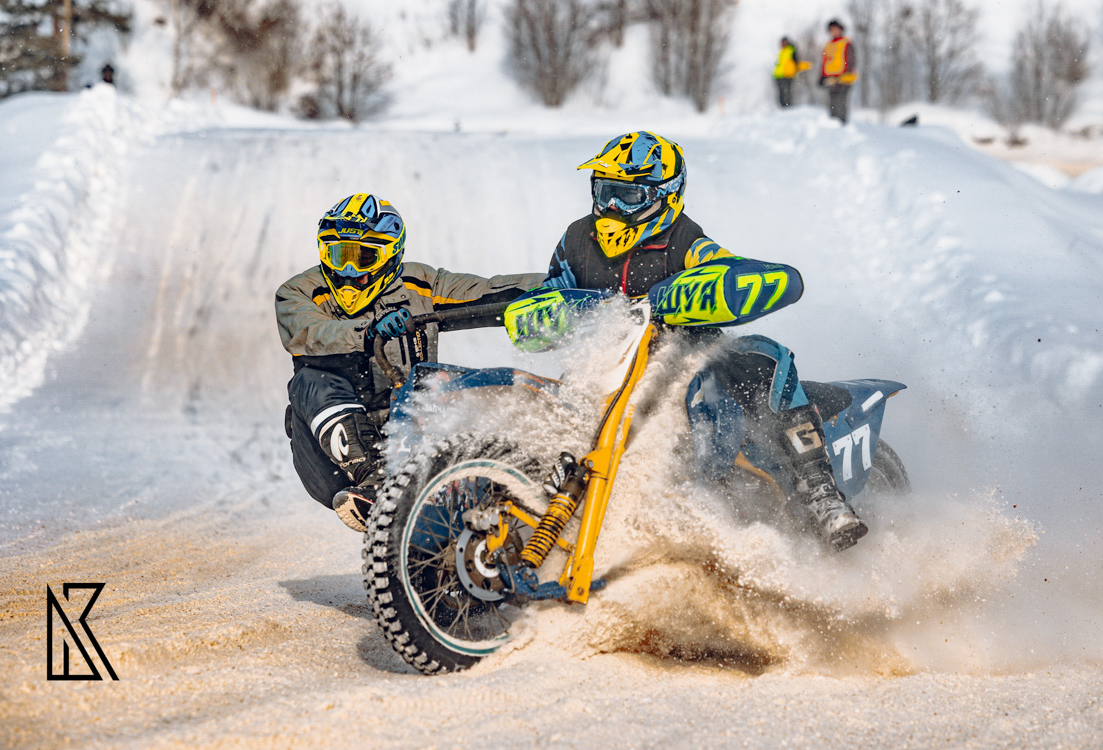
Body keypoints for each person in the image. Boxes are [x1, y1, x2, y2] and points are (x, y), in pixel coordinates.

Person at [533, 131, 868, 551]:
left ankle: (821, 493)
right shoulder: (576, 240)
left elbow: (720, 264)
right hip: (609, 365)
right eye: (606, 192)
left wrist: (714, 285)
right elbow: (553, 289)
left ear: (664, 196)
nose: (613, 208)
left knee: (767, 357)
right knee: (556, 408)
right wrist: (543, 312)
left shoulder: (684, 239)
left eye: (628, 195)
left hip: (694, 361)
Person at [275, 193, 544, 532]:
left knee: (452, 385)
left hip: (409, 422)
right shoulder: (297, 291)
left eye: (362, 257)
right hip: (329, 455)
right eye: (338, 254)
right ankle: (373, 479)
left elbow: (490, 290)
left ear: (391, 256)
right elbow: (309, 333)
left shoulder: (421, 282)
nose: (347, 271)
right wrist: (368, 331)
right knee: (309, 379)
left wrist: (561, 285)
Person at [819, 20, 857, 124]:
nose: (834, 32)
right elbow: (824, 62)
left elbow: (851, 59)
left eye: (836, 29)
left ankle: (842, 125)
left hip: (843, 78)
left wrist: (845, 74)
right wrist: (822, 77)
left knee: (841, 103)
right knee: (832, 104)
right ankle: (833, 127)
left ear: (841, 29)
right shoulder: (828, 45)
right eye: (832, 30)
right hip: (830, 79)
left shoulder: (846, 42)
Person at [773, 37, 809, 108]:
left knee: (786, 91)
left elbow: (796, 61)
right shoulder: (782, 51)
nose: (782, 44)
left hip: (787, 74)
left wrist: (802, 67)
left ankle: (787, 106)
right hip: (778, 75)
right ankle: (782, 106)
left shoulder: (791, 50)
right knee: (781, 92)